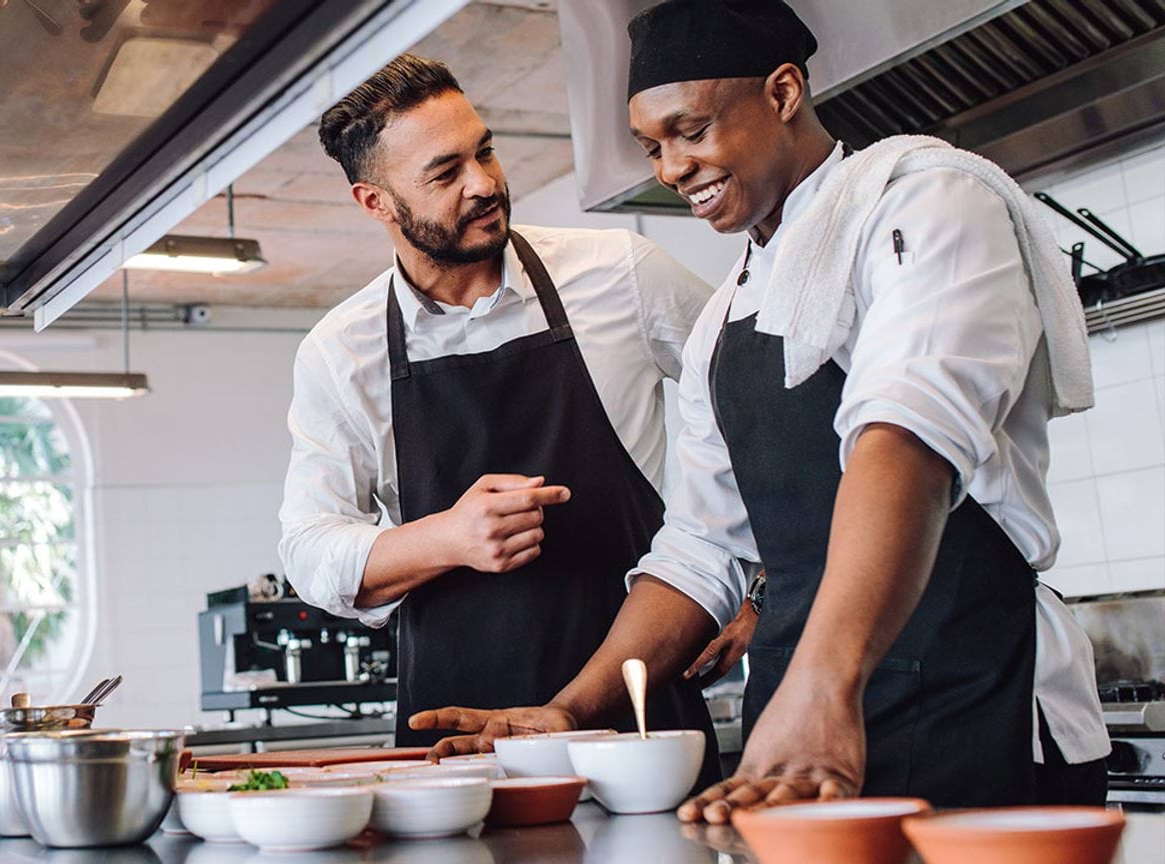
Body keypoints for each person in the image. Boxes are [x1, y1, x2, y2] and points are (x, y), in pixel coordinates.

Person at [410, 0, 1111, 820]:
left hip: (973, 693)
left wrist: (825, 682)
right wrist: (572, 709)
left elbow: (908, 437)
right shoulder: (721, 321)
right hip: (799, 731)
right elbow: (702, 551)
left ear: (782, 93)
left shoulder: (927, 203)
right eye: (652, 147)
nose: (671, 168)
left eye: (691, 130)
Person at [277, 54, 722, 782]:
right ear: (376, 202)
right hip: (455, 746)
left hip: (640, 722)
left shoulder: (622, 275)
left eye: (483, 150)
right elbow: (308, 551)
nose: (484, 182)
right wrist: (447, 537)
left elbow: (765, 409)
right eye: (445, 172)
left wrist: (753, 590)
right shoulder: (340, 351)